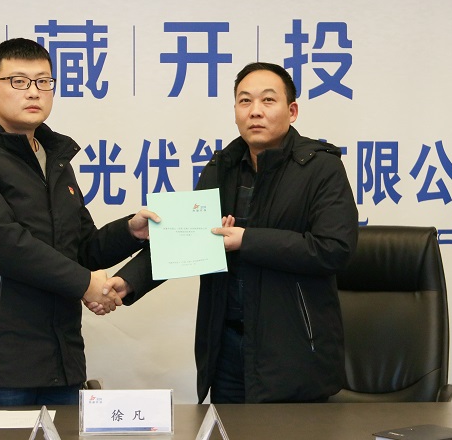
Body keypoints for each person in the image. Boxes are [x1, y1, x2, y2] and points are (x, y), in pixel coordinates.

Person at [95, 62, 358, 403]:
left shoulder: (320, 167)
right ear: (235, 111)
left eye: (268, 100)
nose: (255, 111)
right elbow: (188, 238)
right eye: (245, 101)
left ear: (292, 111)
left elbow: (334, 248)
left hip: (292, 351)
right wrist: (129, 280)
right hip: (227, 350)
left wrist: (247, 240)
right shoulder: (222, 167)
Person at [0, 38, 158, 406]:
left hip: (60, 360)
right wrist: (86, 284)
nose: (33, 91)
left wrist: (130, 231)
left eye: (43, 81)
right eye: (18, 81)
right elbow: (3, 244)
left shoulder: (54, 159)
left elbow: (81, 249)